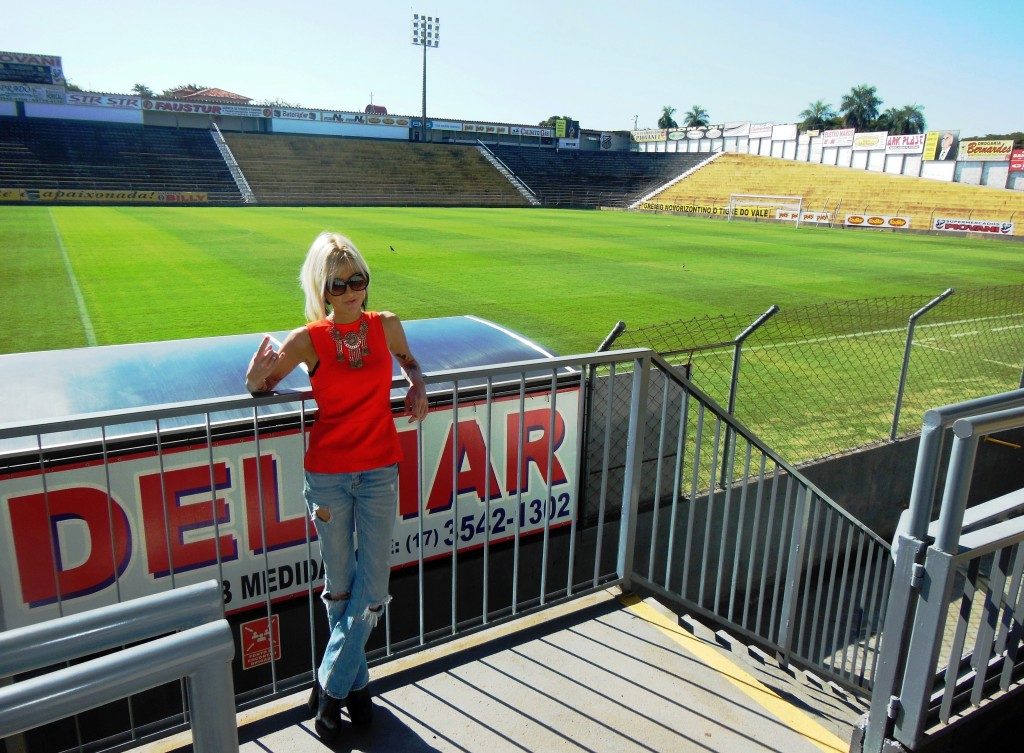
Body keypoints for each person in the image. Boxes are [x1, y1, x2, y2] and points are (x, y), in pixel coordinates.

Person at [245, 231, 428, 741]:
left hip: (378, 473)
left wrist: (418, 383)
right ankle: (356, 687)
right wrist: (253, 378)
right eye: (338, 284)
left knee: (372, 590)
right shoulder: (308, 339)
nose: (350, 292)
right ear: (323, 291)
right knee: (341, 587)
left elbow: (410, 361)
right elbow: (261, 384)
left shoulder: (386, 325)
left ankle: (329, 689)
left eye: (358, 281)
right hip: (326, 477)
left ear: (368, 281)